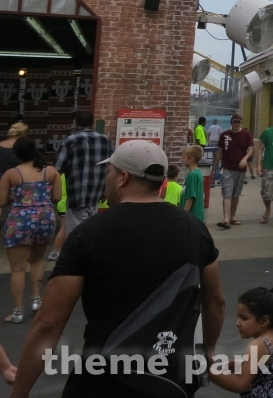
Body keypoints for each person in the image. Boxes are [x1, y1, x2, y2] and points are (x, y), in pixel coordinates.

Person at [11, 140, 225, 398]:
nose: (106, 178)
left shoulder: (88, 235)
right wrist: (209, 351)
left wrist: (19, 393)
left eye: (109, 172)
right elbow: (215, 301)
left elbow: (48, 323)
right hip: (172, 378)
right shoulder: (195, 230)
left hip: (106, 378)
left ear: (123, 177)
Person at [0, 137, 60, 323]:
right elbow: (57, 197)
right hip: (45, 219)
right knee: (36, 260)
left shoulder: (11, 174)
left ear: (16, 154)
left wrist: (16, 197)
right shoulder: (50, 171)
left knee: (18, 269)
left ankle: (18, 312)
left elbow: (1, 201)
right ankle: (36, 301)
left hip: (19, 221)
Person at [208, 287, 273, 397]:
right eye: (238, 317)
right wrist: (243, 366)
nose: (237, 323)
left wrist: (209, 373)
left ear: (264, 321)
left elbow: (240, 385)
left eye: (244, 318)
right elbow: (272, 366)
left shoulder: (257, 345)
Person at [54, 111, 113, 235]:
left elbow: (57, 168)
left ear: (77, 123)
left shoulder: (71, 140)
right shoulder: (105, 140)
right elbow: (112, 166)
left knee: (76, 236)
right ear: (92, 122)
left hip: (77, 196)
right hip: (96, 194)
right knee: (90, 233)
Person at [211, 114, 254, 229]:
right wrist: (214, 168)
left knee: (236, 194)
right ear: (231, 122)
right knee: (227, 192)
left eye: (238, 122)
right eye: (234, 122)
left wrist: (244, 159)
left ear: (241, 123)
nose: (236, 124)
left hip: (240, 169)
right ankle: (225, 218)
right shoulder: (225, 135)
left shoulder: (246, 134)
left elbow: (250, 149)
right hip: (227, 168)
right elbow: (219, 152)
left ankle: (232, 217)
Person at [179, 144, 206, 222]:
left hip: (192, 215)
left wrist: (184, 214)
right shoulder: (198, 173)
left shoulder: (192, 175)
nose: (182, 159)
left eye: (184, 157)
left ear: (191, 159)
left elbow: (190, 197)